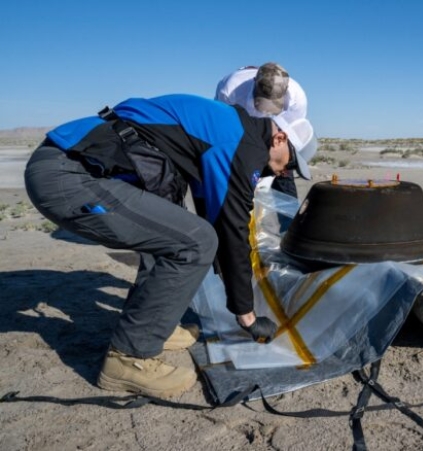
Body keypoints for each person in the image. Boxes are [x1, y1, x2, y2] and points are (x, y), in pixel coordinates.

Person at [24, 94, 317, 398]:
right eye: (291, 163)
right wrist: (246, 315)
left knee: (175, 230)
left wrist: (228, 279)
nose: (286, 173)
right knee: (196, 241)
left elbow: (214, 214)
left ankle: (153, 325)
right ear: (279, 137)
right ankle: (129, 357)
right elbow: (231, 230)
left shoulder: (232, 128)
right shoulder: (243, 145)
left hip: (74, 165)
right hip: (70, 174)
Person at [215, 62, 308, 198]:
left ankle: (289, 218)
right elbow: (224, 130)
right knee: (237, 182)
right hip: (241, 132)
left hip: (274, 138)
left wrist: (275, 166)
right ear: (254, 83)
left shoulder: (297, 98)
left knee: (284, 180)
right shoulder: (230, 90)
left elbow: (291, 137)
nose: (265, 110)